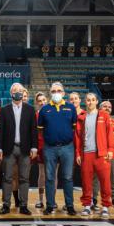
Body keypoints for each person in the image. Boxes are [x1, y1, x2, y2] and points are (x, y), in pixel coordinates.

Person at [0, 83, 38, 215]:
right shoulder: (4, 109)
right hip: (9, 148)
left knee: (24, 178)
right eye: (15, 90)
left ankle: (24, 205)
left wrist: (34, 147)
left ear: (23, 92)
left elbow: (33, 131)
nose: (17, 92)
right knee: (7, 178)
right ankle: (6, 205)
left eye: (20, 90)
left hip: (25, 148)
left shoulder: (30, 109)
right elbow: (0, 131)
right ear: (11, 93)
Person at [38, 82, 78, 216]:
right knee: (49, 178)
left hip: (67, 147)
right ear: (50, 93)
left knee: (67, 177)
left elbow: (73, 127)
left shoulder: (71, 108)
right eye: (54, 91)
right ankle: (50, 206)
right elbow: (40, 130)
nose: (56, 93)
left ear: (63, 93)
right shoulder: (44, 110)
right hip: (50, 148)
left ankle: (70, 205)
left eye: (59, 90)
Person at [76, 93, 114, 219]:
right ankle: (87, 205)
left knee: (105, 182)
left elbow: (109, 134)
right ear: (85, 102)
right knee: (86, 181)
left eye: (93, 100)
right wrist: (78, 153)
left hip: (101, 154)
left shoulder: (104, 115)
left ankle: (105, 206)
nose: (90, 102)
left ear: (97, 101)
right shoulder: (81, 117)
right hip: (86, 154)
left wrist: (110, 149)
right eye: (88, 100)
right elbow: (77, 138)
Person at [92, 100, 114, 209]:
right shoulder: (95, 120)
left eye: (109, 107)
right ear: (100, 108)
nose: (107, 108)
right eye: (105, 106)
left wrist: (102, 135)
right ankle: (94, 198)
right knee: (95, 178)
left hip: (113, 154)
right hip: (98, 153)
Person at [32, 92, 48, 209]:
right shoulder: (35, 116)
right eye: (39, 101)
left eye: (43, 100)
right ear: (36, 103)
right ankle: (41, 199)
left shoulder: (52, 113)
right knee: (42, 174)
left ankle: (50, 199)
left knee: (53, 175)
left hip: (52, 147)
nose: (42, 102)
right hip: (40, 147)